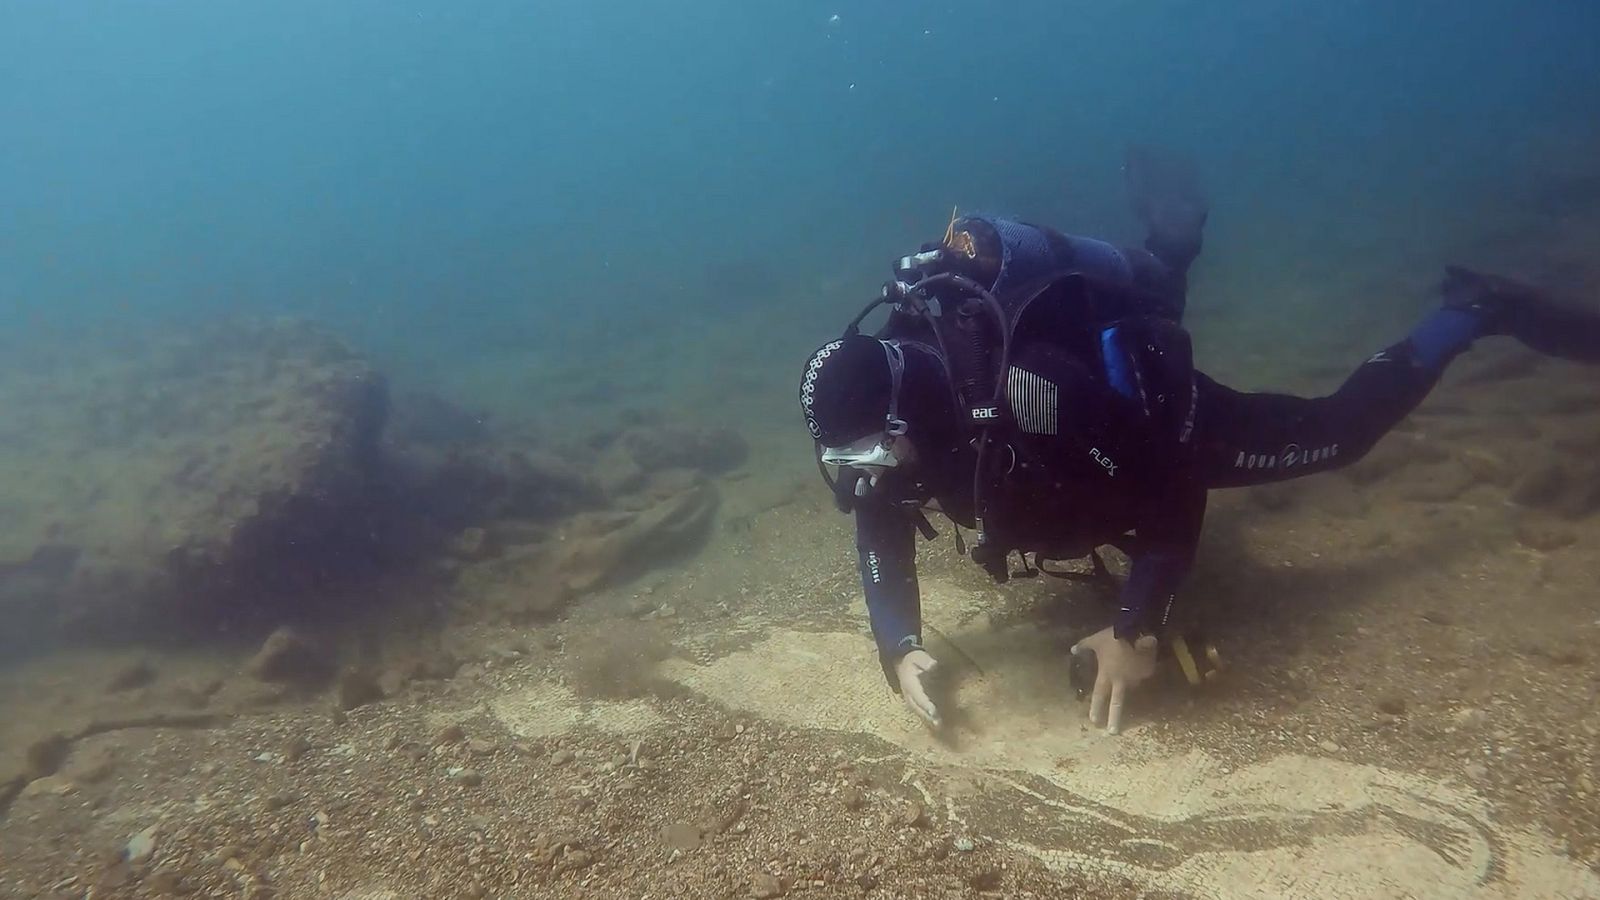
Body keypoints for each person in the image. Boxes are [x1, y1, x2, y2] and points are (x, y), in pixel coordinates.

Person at [799, 151, 1600, 734]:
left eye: (867, 457)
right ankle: (1172, 233)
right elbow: (877, 518)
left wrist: (1135, 625)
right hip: (1082, 452)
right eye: (842, 462)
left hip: (1166, 425)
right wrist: (897, 645)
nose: (860, 482)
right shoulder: (896, 428)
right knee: (1159, 290)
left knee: (1340, 434)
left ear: (907, 419)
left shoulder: (1034, 394)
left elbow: (1172, 493)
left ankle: (1472, 309)